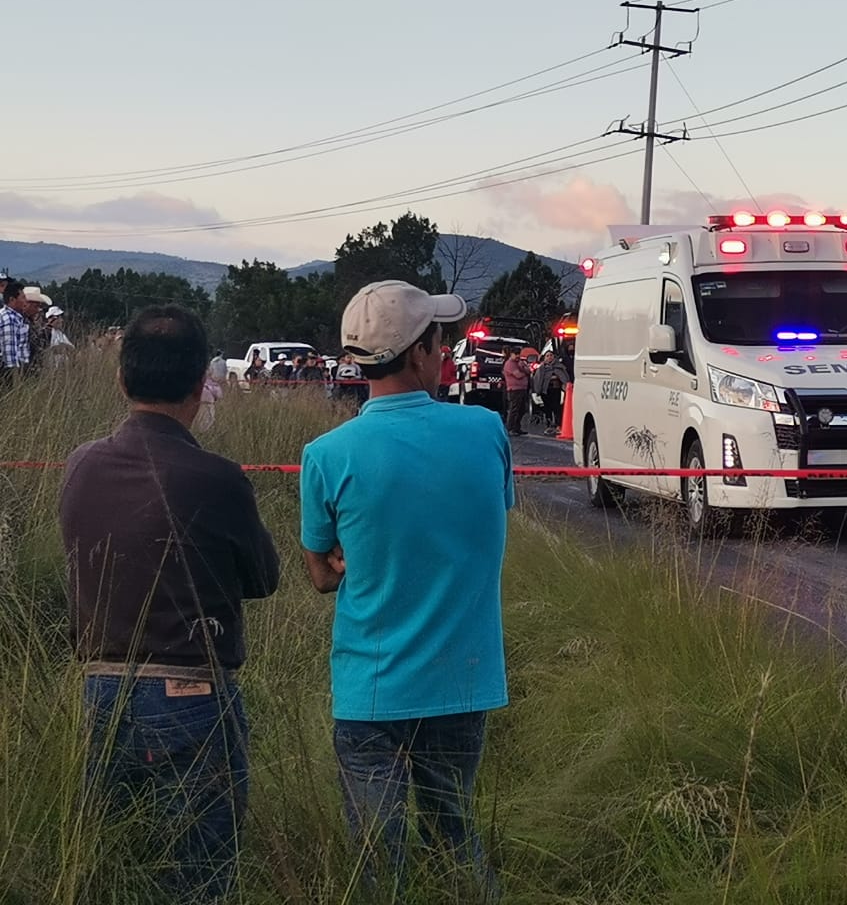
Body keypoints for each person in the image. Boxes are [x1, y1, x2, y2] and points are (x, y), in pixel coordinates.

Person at [59, 305, 280, 902]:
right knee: (198, 877)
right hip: (191, 691)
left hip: (99, 689)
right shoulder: (218, 477)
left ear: (122, 379)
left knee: (111, 866)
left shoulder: (80, 465)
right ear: (197, 385)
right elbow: (263, 577)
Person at [300, 281, 512, 897]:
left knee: (377, 865)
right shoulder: (485, 432)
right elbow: (491, 519)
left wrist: (348, 556)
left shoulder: (327, 455)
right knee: (455, 837)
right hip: (461, 681)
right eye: (440, 340)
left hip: (369, 689)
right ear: (420, 352)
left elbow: (320, 574)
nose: (444, 352)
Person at [532, 348, 571, 436]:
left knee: (557, 408)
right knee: (547, 408)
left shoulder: (559, 367)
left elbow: (564, 378)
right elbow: (537, 379)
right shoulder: (541, 368)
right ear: (544, 358)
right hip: (545, 391)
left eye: (551, 355)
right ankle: (549, 424)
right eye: (547, 356)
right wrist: (538, 390)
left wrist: (564, 385)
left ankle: (558, 425)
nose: (549, 357)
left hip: (556, 390)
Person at [0, 281, 31, 386]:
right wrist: (15, 382)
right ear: (12, 300)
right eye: (22, 298)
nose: (25, 301)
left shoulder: (15, 318)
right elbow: (9, 355)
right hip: (7, 375)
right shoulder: (9, 319)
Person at [502, 345, 531, 436]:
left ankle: (517, 427)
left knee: (522, 409)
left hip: (522, 389)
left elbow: (529, 371)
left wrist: (523, 368)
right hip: (514, 390)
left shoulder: (520, 363)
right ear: (511, 354)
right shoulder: (509, 364)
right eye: (516, 354)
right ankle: (510, 428)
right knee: (514, 409)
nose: (518, 356)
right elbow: (518, 375)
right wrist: (524, 371)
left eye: (519, 354)